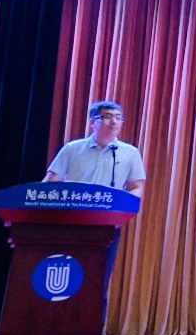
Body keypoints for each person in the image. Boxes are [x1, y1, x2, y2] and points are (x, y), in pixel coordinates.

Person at [43, 100, 146, 313]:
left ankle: (94, 331)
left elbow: (137, 186)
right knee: (65, 279)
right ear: (93, 122)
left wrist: (123, 210)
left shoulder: (129, 153)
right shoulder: (72, 149)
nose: (114, 122)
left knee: (98, 283)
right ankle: (58, 327)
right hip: (70, 225)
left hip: (106, 227)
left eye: (118, 118)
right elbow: (50, 184)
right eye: (108, 117)